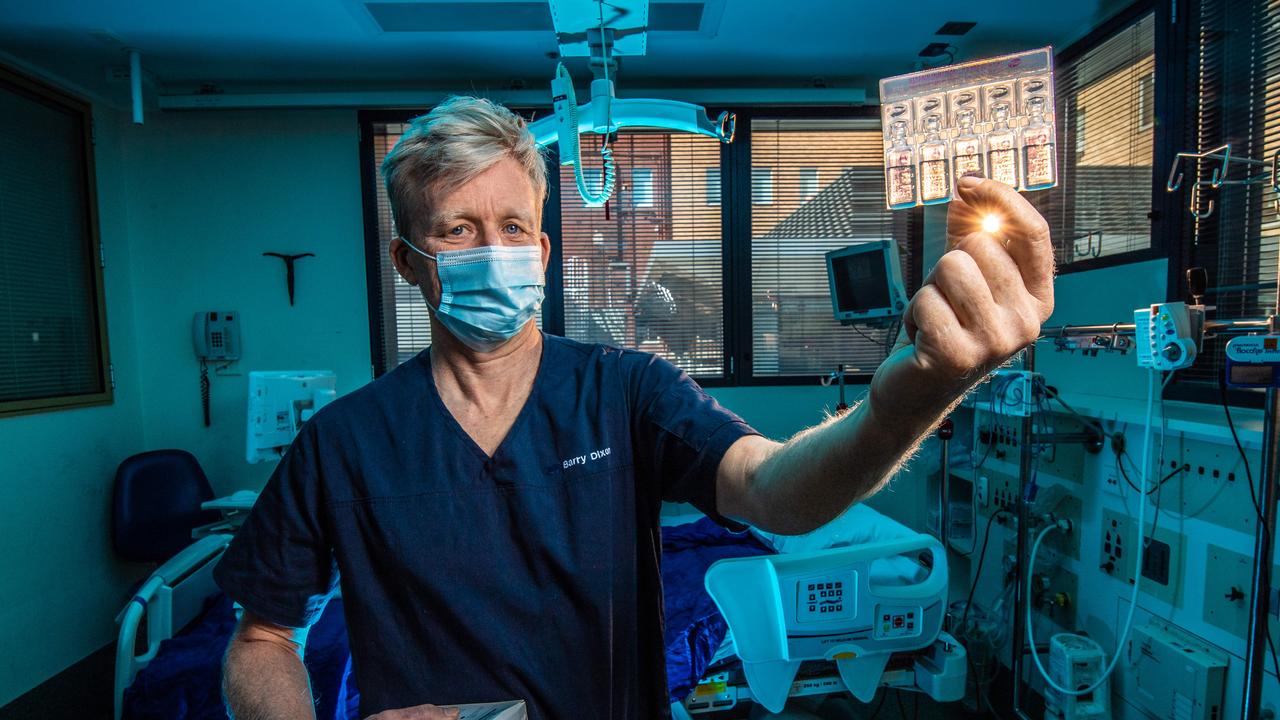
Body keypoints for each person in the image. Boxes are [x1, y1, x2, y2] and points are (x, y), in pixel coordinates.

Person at [215, 96, 1054, 720]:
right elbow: (261, 640)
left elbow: (773, 490)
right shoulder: (345, 443)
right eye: (458, 231)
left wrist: (906, 401)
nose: (493, 252)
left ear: (543, 251)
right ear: (408, 260)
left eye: (512, 225)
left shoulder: (626, 391)